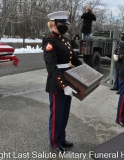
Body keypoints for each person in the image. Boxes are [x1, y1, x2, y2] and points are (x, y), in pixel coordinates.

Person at [42, 11, 82, 153]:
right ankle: (54, 142)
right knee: (57, 115)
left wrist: (85, 69)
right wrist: (63, 85)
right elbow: (51, 67)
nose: (65, 26)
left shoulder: (64, 40)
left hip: (68, 82)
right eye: (62, 24)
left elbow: (73, 58)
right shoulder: (50, 42)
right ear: (53, 24)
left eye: (65, 24)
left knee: (64, 114)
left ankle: (62, 138)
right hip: (57, 84)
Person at [111, 30, 124, 94]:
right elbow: (117, 50)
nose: (121, 36)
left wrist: (119, 57)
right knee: (116, 75)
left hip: (122, 62)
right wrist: (115, 54)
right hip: (118, 62)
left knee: (121, 77)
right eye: (121, 35)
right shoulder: (120, 42)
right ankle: (116, 86)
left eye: (123, 35)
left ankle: (120, 89)